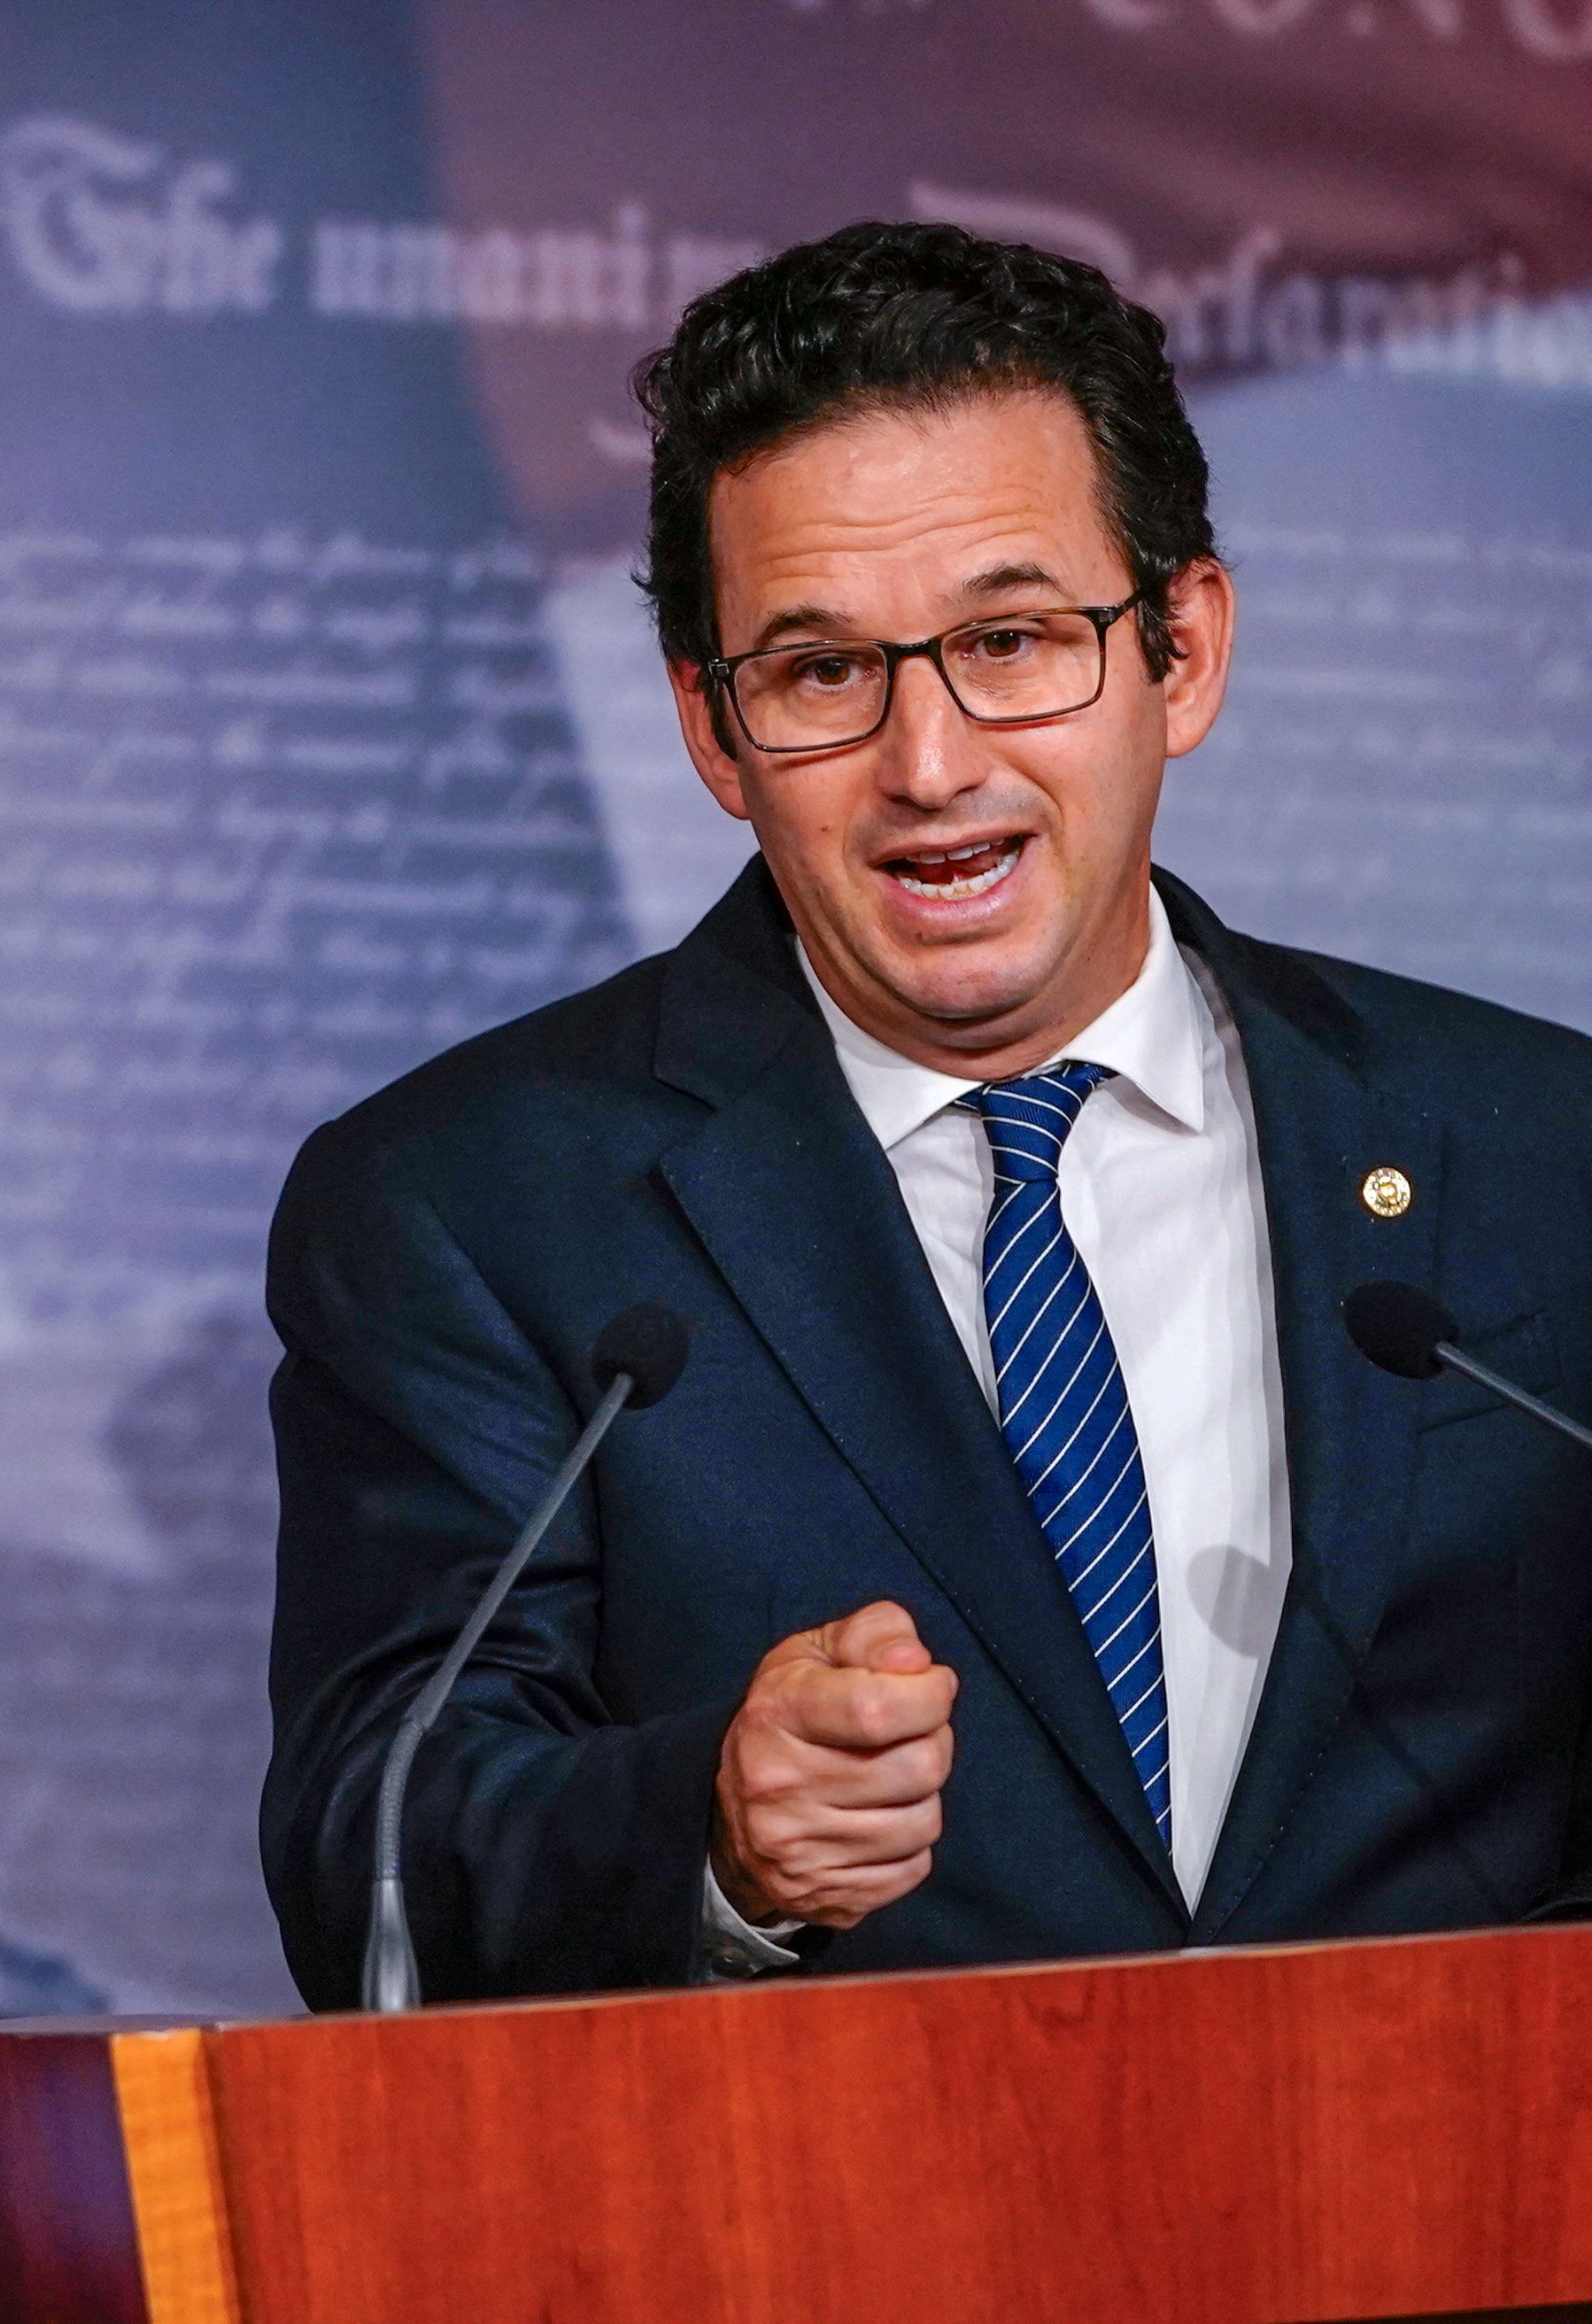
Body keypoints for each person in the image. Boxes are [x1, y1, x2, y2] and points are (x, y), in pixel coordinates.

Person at [263, 221, 1592, 2003]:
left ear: (1183, 650)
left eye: (1012, 639)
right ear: (713, 728)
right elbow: (370, 1853)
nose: (933, 764)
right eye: (822, 673)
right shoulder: (474, 1211)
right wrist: (713, 1840)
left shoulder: (1540, 1155)